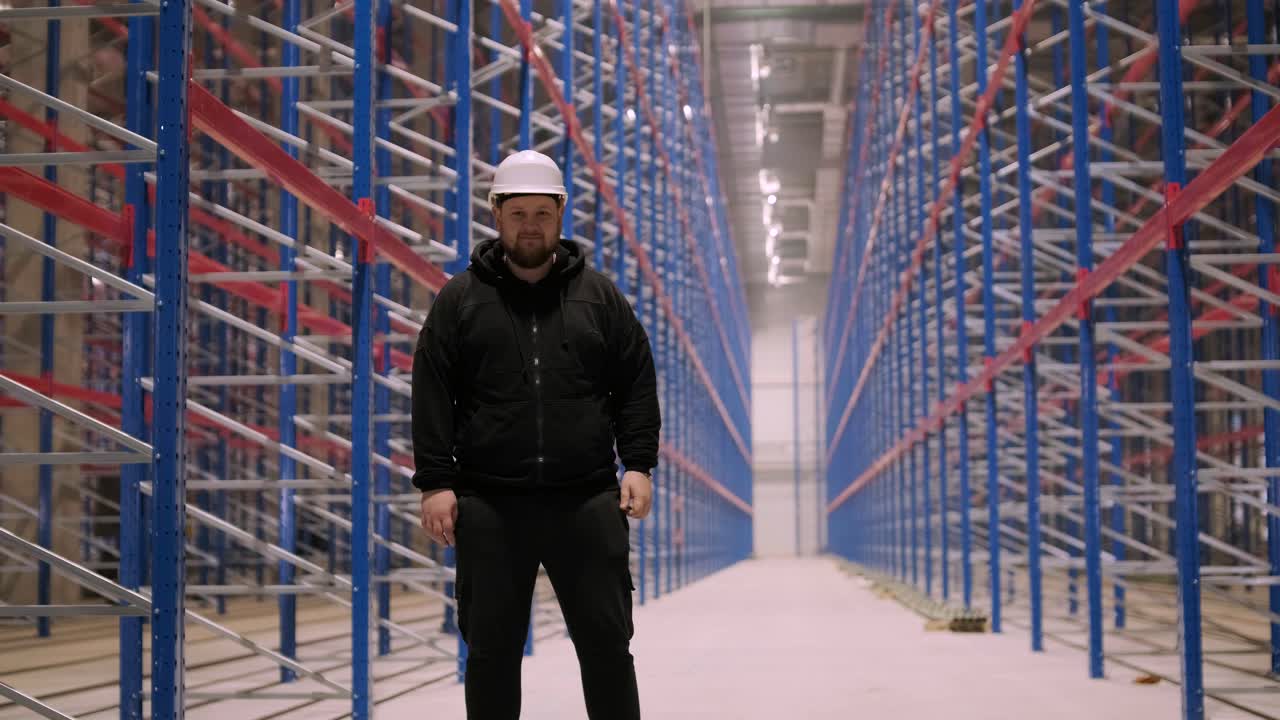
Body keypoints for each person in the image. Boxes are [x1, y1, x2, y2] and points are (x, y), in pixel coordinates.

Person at [411, 149, 660, 720]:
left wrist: (639, 464)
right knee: (492, 652)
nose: (530, 225)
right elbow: (431, 392)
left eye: (542, 213)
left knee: (607, 648)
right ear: (496, 214)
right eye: (518, 212)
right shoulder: (461, 301)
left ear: (560, 215)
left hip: (587, 498)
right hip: (490, 504)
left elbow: (636, 383)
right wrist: (435, 483)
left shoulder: (600, 299)